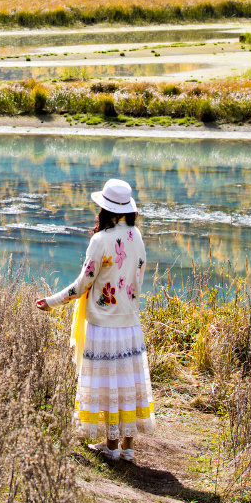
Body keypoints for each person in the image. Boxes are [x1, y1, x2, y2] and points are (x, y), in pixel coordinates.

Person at [36, 178, 155, 462]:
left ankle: (111, 447)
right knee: (128, 384)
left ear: (104, 209)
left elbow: (82, 285)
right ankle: (127, 447)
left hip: (104, 325)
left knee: (108, 386)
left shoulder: (100, 240)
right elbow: (137, 278)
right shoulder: (136, 236)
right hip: (130, 323)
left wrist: (51, 302)